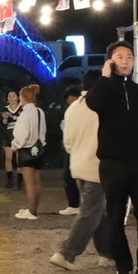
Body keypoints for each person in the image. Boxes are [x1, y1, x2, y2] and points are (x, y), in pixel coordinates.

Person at [88, 40, 138, 274]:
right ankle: (123, 265)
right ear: (111, 61)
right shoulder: (105, 90)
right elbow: (93, 103)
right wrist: (105, 77)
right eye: (120, 57)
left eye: (129, 57)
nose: (125, 61)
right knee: (116, 214)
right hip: (113, 163)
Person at [50, 73, 112, 270]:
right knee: (91, 212)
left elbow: (66, 142)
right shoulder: (102, 108)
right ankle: (66, 253)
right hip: (97, 166)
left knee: (97, 211)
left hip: (77, 165)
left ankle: (106, 254)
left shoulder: (73, 108)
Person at [10, 85, 46, 220]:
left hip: (27, 150)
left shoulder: (25, 114)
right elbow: (43, 131)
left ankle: (32, 211)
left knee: (29, 182)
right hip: (39, 148)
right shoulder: (39, 112)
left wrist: (14, 146)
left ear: (24, 97)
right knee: (37, 181)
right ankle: (34, 208)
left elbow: (22, 135)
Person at [57, 86, 83, 216]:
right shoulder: (89, 106)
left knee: (69, 176)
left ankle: (74, 204)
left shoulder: (73, 110)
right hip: (84, 147)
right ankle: (78, 203)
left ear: (71, 97)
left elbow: (68, 131)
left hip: (74, 148)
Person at [0, 90, 23, 188]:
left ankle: (19, 181)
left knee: (19, 158)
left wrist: (12, 117)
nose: (11, 98)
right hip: (8, 133)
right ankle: (10, 180)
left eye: (13, 96)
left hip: (19, 133)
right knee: (8, 157)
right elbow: (4, 123)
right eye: (9, 96)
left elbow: (23, 120)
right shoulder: (5, 108)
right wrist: (5, 118)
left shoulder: (22, 108)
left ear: (17, 97)